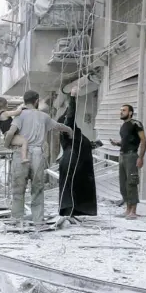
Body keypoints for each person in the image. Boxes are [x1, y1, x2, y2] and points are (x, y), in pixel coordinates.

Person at [4, 90, 73, 227]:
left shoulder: (20, 115)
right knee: (37, 189)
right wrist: (70, 130)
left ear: (25, 101)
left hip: (20, 154)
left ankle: (17, 220)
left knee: (18, 189)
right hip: (37, 154)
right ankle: (38, 221)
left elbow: (10, 132)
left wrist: (7, 145)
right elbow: (58, 127)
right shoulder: (44, 116)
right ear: (36, 101)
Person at [57, 87, 97, 217]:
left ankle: (75, 210)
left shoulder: (75, 134)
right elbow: (71, 114)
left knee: (76, 185)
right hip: (72, 159)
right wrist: (73, 97)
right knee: (71, 185)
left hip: (75, 159)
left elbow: (69, 113)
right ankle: (69, 211)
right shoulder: (68, 129)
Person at [109, 104, 146, 220]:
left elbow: (144, 141)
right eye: (120, 110)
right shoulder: (124, 125)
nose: (121, 112)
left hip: (131, 156)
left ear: (130, 112)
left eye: (124, 110)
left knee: (131, 182)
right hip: (122, 156)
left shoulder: (136, 124)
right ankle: (127, 210)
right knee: (123, 184)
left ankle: (133, 211)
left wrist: (140, 158)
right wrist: (117, 143)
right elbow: (127, 141)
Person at [0, 97, 29, 163]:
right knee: (25, 141)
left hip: (6, 135)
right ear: (7, 105)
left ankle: (5, 152)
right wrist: (21, 107)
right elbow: (17, 112)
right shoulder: (5, 113)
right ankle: (24, 158)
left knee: (19, 142)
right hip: (11, 135)